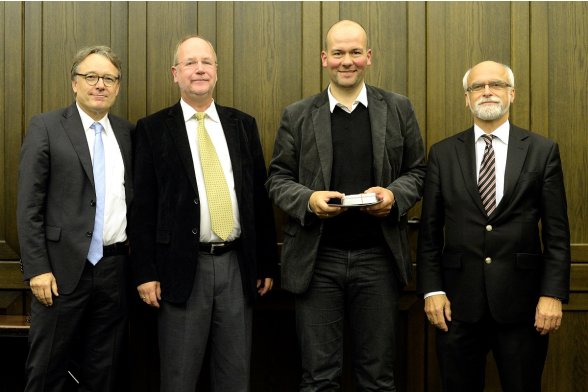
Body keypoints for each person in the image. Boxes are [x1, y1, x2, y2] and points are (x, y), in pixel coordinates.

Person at [266, 20, 426, 391]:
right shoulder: (298, 114)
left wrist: (393, 197)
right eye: (338, 53)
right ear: (325, 58)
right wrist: (308, 200)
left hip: (378, 259)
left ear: (368, 57)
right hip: (317, 261)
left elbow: (418, 172)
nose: (347, 61)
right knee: (319, 377)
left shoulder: (398, 108)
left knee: (378, 377)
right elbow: (277, 179)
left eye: (355, 52)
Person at [130, 35, 278, 392]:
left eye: (206, 62)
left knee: (234, 376)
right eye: (190, 63)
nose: (199, 69)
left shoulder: (243, 124)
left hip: (236, 268)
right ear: (175, 73)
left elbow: (259, 198)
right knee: (179, 378)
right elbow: (143, 207)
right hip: (180, 269)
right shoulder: (152, 129)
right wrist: (145, 272)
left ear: (216, 71)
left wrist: (266, 264)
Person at [417, 60, 571, 391]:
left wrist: (552, 294)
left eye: (497, 85)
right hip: (456, 308)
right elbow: (430, 234)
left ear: (512, 94)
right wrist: (432, 290)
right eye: (477, 87)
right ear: (467, 98)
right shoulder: (443, 154)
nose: (487, 92)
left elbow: (557, 234)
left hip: (524, 307)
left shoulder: (542, 151)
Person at [17, 45, 133, 391]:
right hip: (60, 272)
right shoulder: (47, 126)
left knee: (103, 371)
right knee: (46, 371)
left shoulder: (127, 133)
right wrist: (36, 268)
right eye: (91, 76)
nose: (100, 84)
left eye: (109, 78)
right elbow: (29, 205)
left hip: (114, 271)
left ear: (117, 86)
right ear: (74, 83)